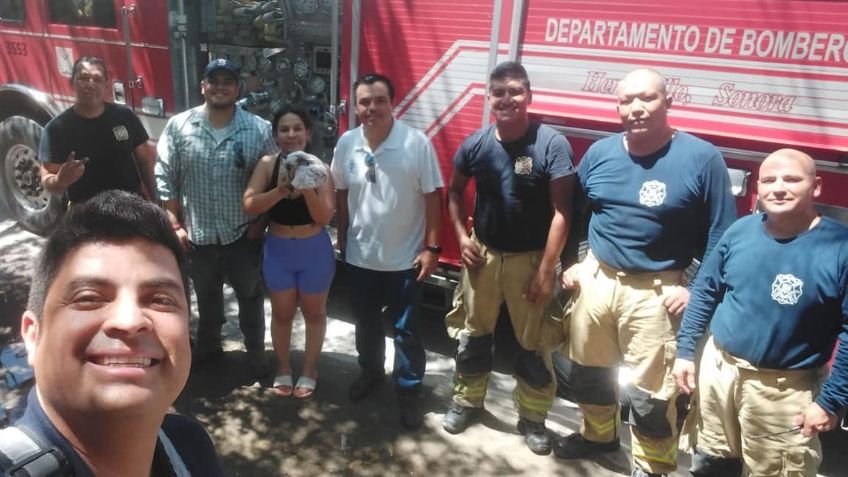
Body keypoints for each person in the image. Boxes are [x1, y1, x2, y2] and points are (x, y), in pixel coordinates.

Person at [553, 68, 737, 477]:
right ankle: (597, 437)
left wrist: (692, 285)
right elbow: (575, 212)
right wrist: (573, 262)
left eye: (647, 98)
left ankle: (652, 467)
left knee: (652, 394)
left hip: (658, 293)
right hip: (598, 283)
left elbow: (721, 234)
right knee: (586, 373)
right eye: (626, 100)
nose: (635, 108)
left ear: (668, 103)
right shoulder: (600, 153)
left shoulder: (702, 158)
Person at [11, 190, 224, 476]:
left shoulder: (190, 446)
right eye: (88, 297)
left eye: (160, 300)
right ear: (33, 336)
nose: (129, 320)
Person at [673, 149, 848, 477]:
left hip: (784, 391)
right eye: (769, 180)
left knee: (778, 470)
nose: (778, 187)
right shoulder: (740, 231)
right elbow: (705, 292)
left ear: (817, 186)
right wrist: (685, 351)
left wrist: (830, 401)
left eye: (792, 179)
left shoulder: (840, 248)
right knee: (710, 462)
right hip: (719, 373)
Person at [440, 61, 574, 455]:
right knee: (473, 335)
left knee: (533, 345)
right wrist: (462, 237)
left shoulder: (551, 145)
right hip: (483, 256)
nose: (507, 99)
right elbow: (452, 193)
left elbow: (563, 211)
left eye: (515, 91)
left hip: (531, 260)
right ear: (489, 99)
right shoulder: (476, 145)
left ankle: (532, 419)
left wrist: (547, 271)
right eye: (499, 92)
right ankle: (467, 401)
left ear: (529, 96)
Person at [330, 73, 443, 429]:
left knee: (407, 331)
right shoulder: (347, 143)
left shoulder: (415, 144)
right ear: (356, 106)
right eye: (364, 102)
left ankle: (408, 391)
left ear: (392, 103)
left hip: (405, 260)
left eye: (379, 100)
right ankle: (371, 372)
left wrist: (433, 248)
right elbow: (341, 191)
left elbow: (433, 197)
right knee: (365, 323)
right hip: (361, 257)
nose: (371, 108)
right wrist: (343, 235)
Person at [155, 58, 277, 377]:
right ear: (203, 86)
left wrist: (259, 225)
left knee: (250, 296)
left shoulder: (259, 129)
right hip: (198, 234)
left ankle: (255, 353)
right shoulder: (179, 126)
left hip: (242, 234)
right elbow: (165, 175)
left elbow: (271, 181)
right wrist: (175, 223)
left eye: (228, 81)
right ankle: (208, 347)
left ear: (238, 88)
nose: (220, 86)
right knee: (207, 297)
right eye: (214, 80)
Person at [243, 106, 335, 399]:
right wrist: (281, 190)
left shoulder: (321, 168)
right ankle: (283, 367)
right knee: (282, 314)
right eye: (284, 129)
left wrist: (306, 185)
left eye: (297, 128)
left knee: (314, 313)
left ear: (308, 134)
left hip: (314, 251)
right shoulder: (268, 164)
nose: (291, 134)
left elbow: (324, 217)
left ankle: (310, 370)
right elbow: (250, 204)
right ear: (276, 135)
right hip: (279, 250)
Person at [39, 56, 156, 202]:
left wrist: (158, 203)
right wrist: (60, 180)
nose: (90, 84)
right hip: (86, 215)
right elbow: (47, 178)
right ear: (71, 83)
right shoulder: (56, 129)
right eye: (83, 77)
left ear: (106, 86)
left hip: (131, 209)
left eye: (97, 79)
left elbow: (146, 161)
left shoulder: (125, 117)